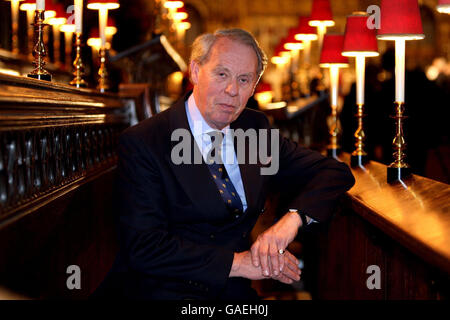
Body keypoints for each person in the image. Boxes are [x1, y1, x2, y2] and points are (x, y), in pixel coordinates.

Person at [93, 28, 355, 300]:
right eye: (222, 75)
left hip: (233, 293)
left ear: (254, 87)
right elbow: (144, 247)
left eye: (244, 80)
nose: (232, 90)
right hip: (162, 291)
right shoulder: (146, 141)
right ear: (195, 72)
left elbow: (334, 172)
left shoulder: (253, 131)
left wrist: (291, 221)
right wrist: (240, 263)